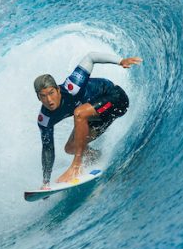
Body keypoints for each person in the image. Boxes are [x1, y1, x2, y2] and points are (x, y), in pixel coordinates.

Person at [35, 51, 142, 189]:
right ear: (38, 97)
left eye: (51, 93)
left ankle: (76, 166)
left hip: (116, 99)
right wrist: (46, 182)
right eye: (43, 96)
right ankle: (96, 157)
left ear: (58, 90)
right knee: (70, 147)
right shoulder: (45, 119)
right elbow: (47, 149)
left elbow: (91, 57)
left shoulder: (72, 86)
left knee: (79, 113)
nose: (49, 100)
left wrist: (120, 61)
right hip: (97, 116)